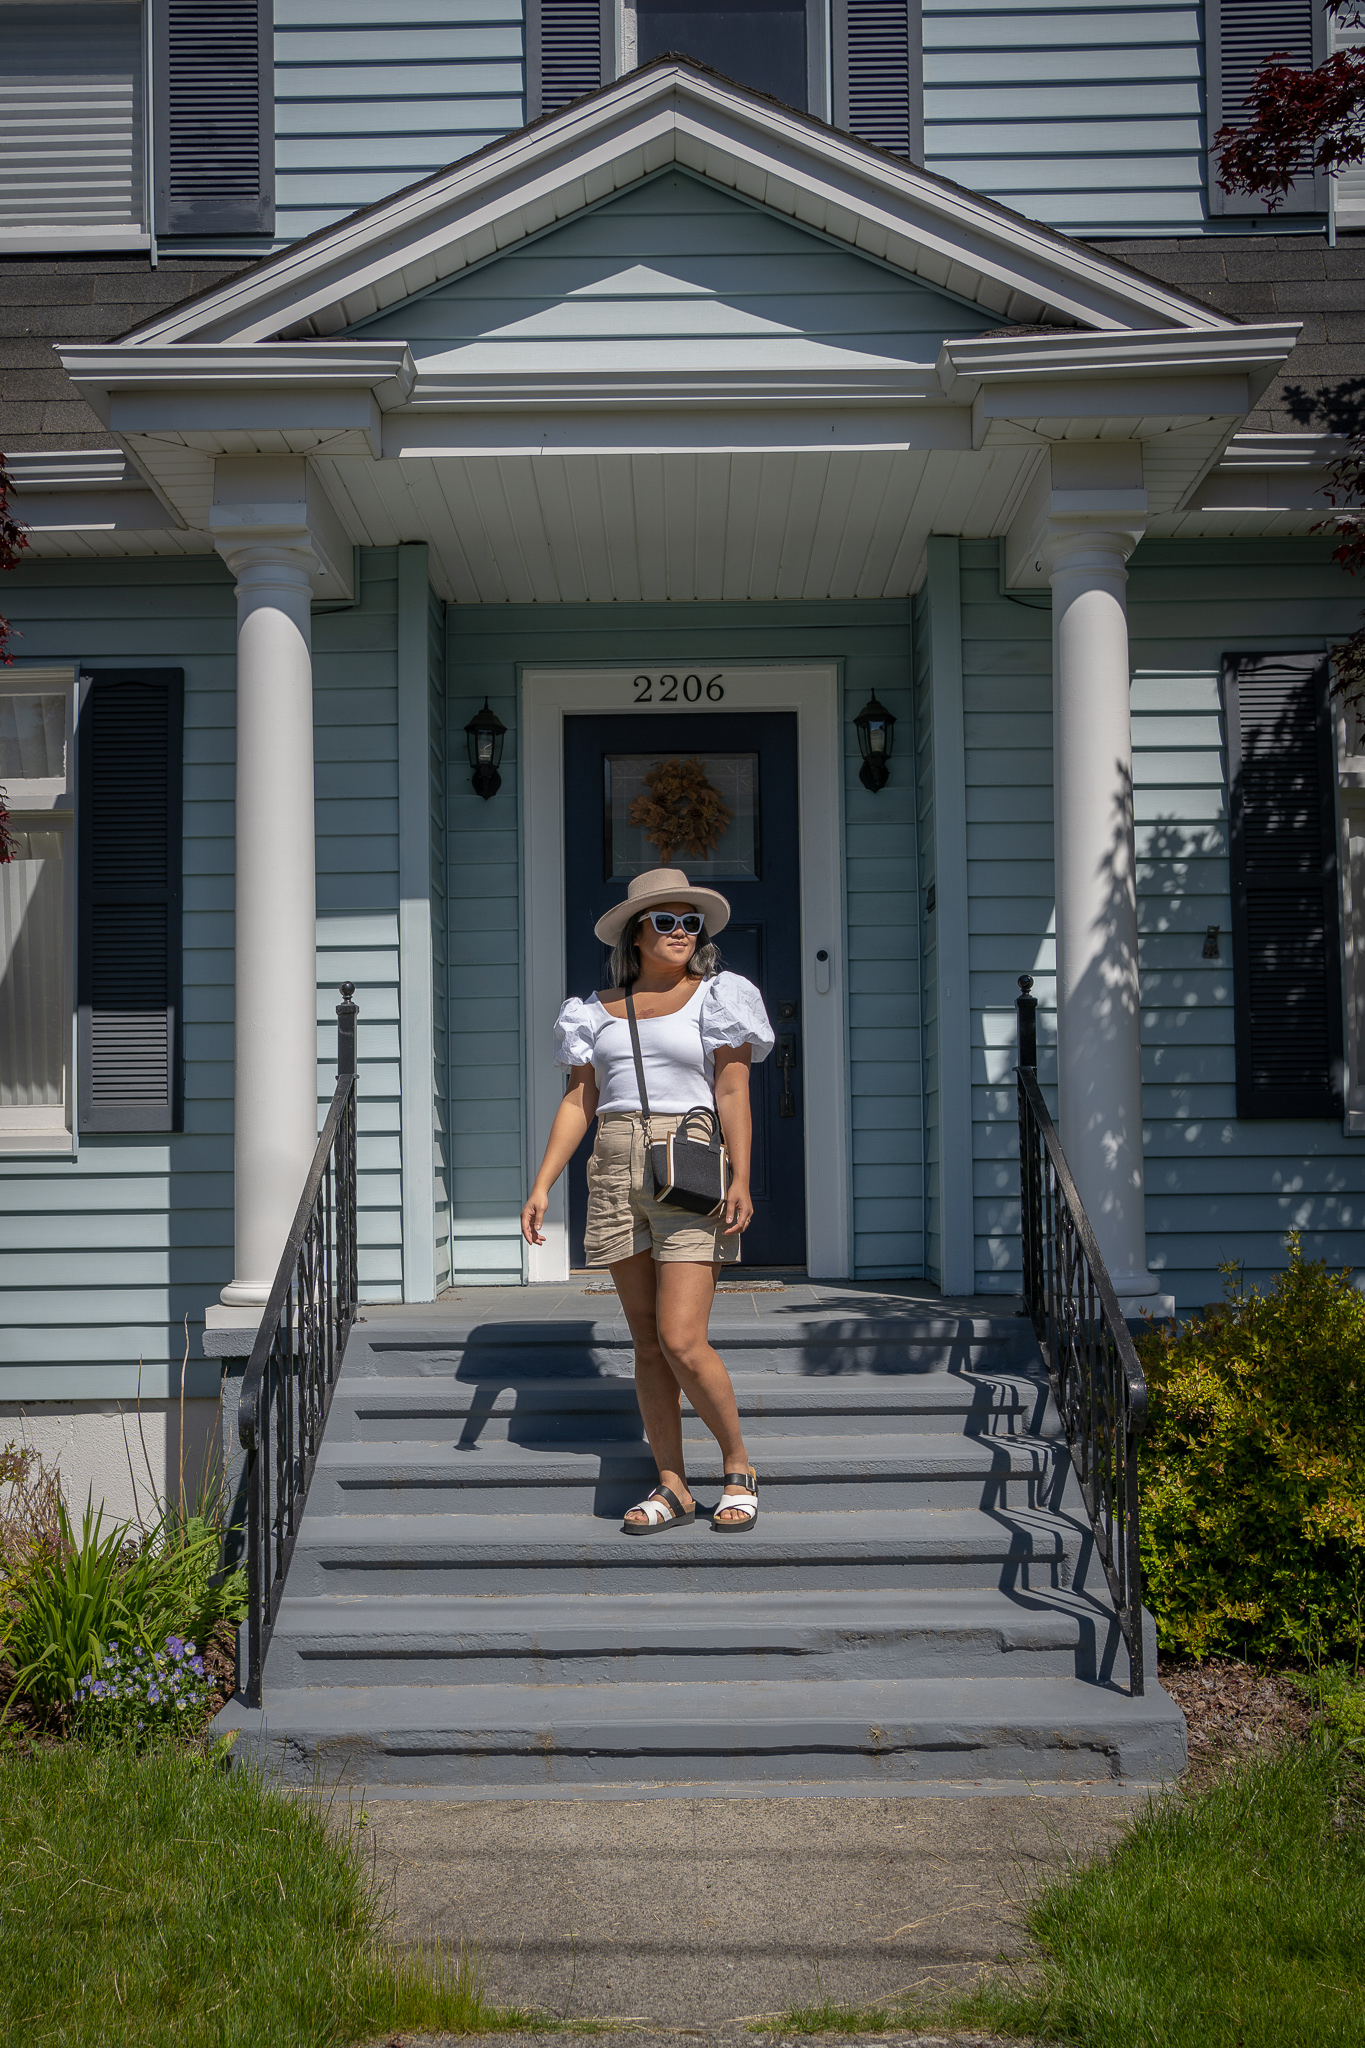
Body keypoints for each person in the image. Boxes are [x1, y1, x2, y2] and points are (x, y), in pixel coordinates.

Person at [521, 867, 775, 1533]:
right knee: (645, 1343)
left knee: (681, 1337)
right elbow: (580, 1100)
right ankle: (670, 1485)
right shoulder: (592, 1011)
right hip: (613, 1162)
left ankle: (737, 1466)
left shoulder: (718, 998)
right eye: (666, 920)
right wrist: (543, 1182)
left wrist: (741, 1176)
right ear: (636, 934)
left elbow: (731, 1093)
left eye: (691, 921)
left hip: (685, 1156)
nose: (681, 932)